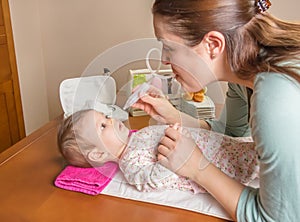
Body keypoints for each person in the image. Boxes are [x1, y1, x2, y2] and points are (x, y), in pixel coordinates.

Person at [133, 0, 300, 221]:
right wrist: (174, 116)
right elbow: (232, 133)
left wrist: (197, 168)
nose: (164, 59)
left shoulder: (275, 98)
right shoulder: (244, 76)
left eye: (169, 48)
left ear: (212, 44)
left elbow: (278, 218)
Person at [57, 109, 259, 193]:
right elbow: (154, 181)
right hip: (220, 163)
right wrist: (171, 157)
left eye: (106, 116)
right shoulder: (130, 163)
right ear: (98, 154)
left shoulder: (136, 136)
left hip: (225, 145)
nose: (110, 120)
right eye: (102, 126)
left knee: (257, 149)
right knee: (263, 163)